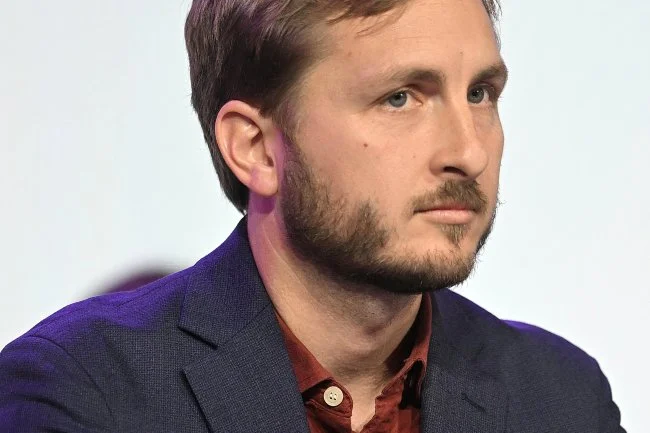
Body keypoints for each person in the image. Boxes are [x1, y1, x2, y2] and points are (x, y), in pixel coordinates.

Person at [0, 0, 626, 431]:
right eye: (400, 98)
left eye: (480, 94)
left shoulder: (561, 398)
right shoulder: (86, 392)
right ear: (256, 148)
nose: (468, 152)